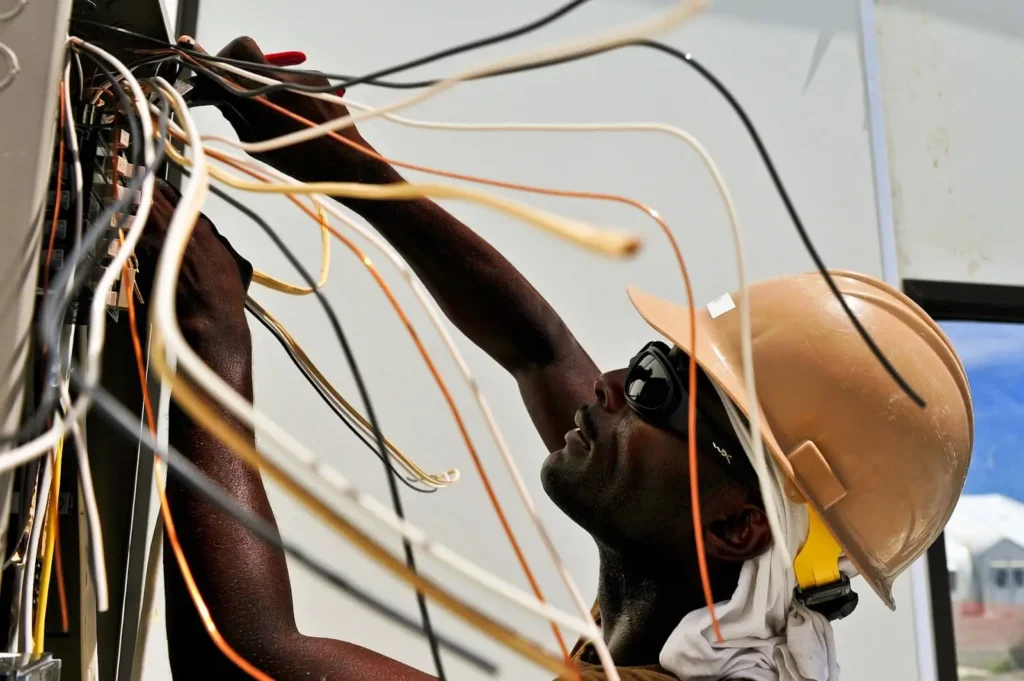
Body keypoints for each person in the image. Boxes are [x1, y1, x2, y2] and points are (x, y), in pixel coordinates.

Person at [137, 37, 974, 681]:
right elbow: (538, 347)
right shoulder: (709, 610)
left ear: (734, 524)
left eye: (654, 390)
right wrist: (350, 166)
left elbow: (245, 658)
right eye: (649, 359)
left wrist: (209, 338)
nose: (611, 383)